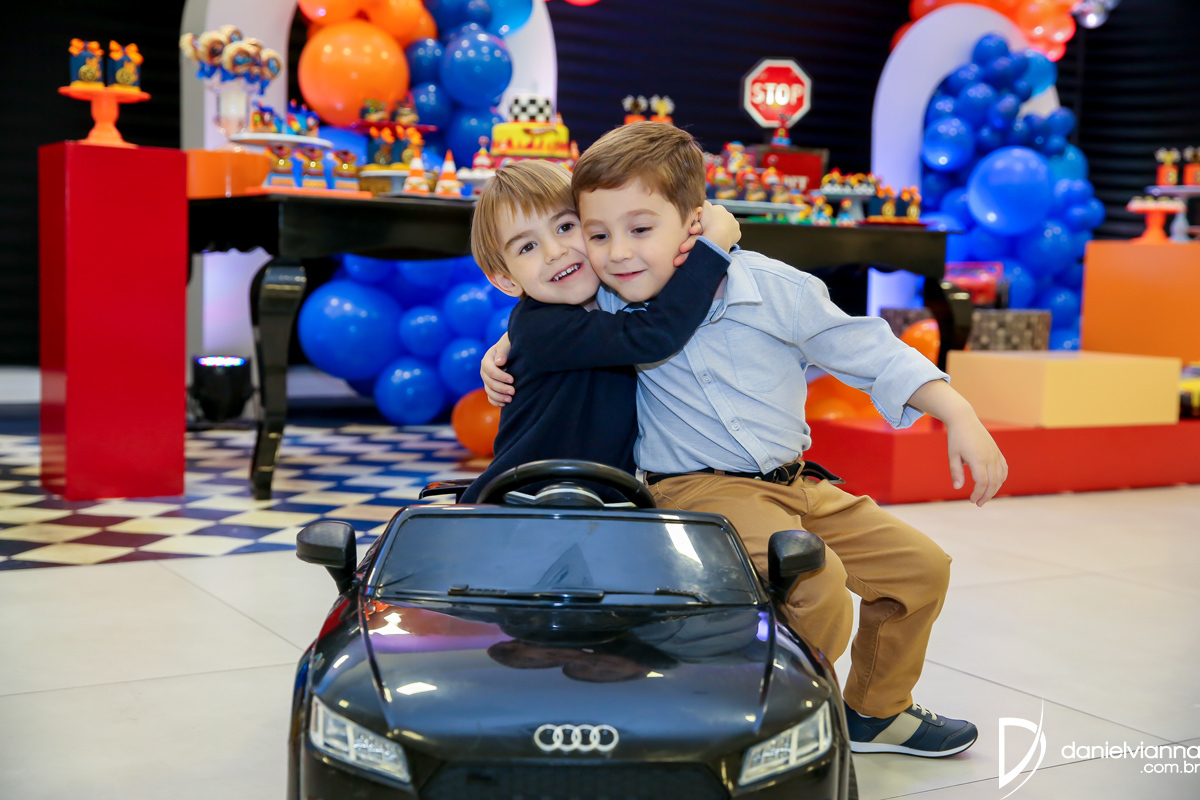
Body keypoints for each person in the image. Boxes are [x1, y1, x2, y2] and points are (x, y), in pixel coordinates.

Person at [481, 122, 1009, 757]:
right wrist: (507, 342)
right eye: (598, 235)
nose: (617, 253)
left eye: (640, 229)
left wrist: (957, 411)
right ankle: (771, 719)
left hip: (800, 482)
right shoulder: (615, 302)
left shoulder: (773, 288)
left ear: (693, 222)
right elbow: (555, 314)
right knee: (815, 583)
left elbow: (867, 350)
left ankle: (876, 710)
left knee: (921, 569)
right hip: (699, 489)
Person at [459, 159, 741, 503]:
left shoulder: (613, 297)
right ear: (506, 279)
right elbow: (656, 334)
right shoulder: (541, 328)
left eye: (565, 226)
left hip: (596, 504)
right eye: (527, 247)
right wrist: (713, 246)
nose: (556, 251)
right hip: (523, 505)